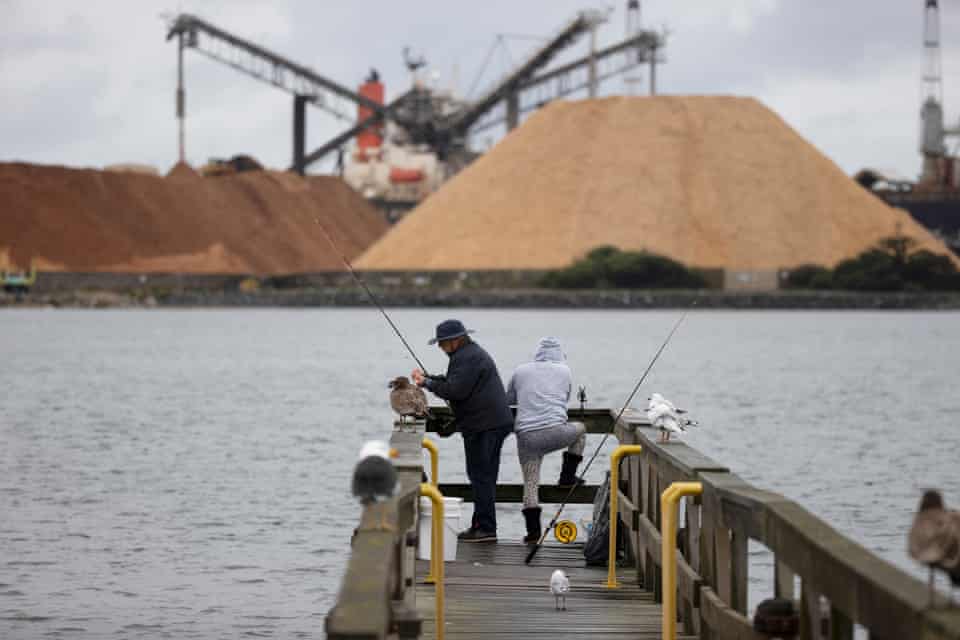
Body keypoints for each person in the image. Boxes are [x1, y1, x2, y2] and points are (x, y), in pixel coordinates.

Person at [412, 319, 513, 543]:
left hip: (485, 425)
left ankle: (485, 528)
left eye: (442, 343)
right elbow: (452, 381)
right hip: (492, 423)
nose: (440, 347)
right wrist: (428, 380)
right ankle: (482, 526)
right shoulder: (468, 355)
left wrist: (427, 384)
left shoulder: (467, 357)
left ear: (455, 341)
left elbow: (454, 390)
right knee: (483, 476)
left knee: (480, 476)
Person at [505, 336, 586, 544]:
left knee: (530, 484)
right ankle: (567, 478)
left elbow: (510, 400)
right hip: (555, 433)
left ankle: (533, 534)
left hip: (526, 437)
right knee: (581, 430)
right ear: (559, 354)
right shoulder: (564, 371)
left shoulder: (521, 370)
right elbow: (564, 398)